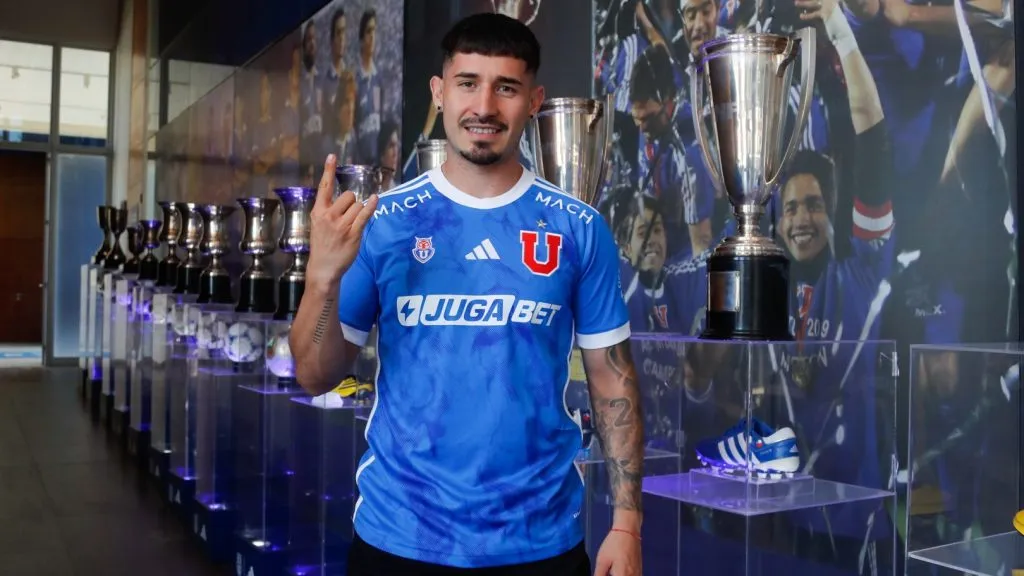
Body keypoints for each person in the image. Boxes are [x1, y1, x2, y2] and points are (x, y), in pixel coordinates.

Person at [291, 13, 643, 576]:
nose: (484, 106)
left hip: (540, 543)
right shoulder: (385, 224)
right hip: (399, 538)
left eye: (506, 87)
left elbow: (611, 379)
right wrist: (323, 277)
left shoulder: (577, 228)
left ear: (534, 101)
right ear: (439, 93)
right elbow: (314, 375)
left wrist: (626, 525)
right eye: (467, 83)